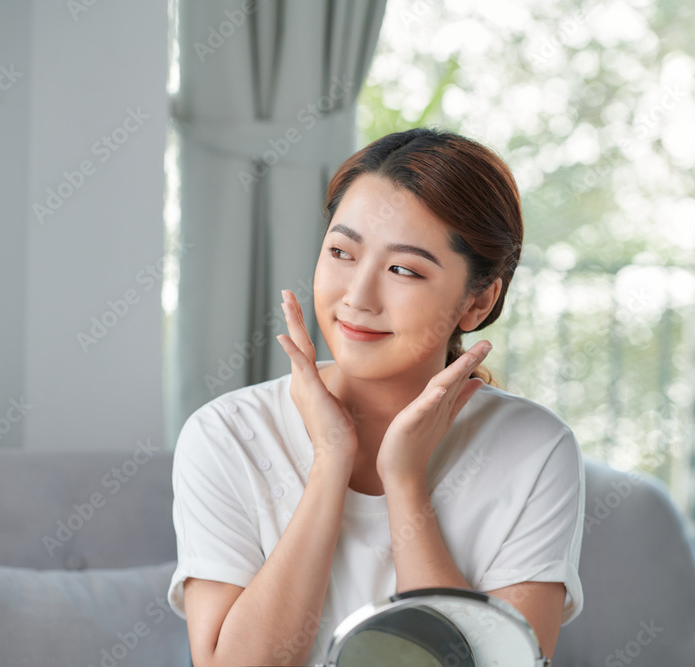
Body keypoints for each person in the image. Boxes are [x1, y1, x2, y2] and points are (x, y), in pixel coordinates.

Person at [167, 127, 585, 666]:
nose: (358, 297)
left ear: (477, 302)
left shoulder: (535, 448)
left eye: (403, 269)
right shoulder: (226, 433)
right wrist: (330, 460)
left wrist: (405, 484)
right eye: (341, 252)